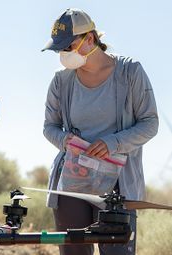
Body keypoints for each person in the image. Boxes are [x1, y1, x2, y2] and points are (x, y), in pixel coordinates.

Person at [42, 8, 158, 255]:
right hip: (72, 183)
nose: (63, 55)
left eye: (68, 47)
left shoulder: (130, 73)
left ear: (90, 40)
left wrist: (113, 143)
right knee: (74, 251)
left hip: (118, 186)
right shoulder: (61, 81)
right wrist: (66, 140)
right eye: (59, 49)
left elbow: (150, 123)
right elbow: (49, 127)